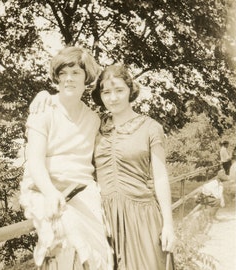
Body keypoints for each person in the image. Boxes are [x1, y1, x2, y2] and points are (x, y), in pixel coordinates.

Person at [19, 46, 113, 270]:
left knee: (101, 255)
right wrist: (51, 192)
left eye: (75, 73)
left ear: (86, 77)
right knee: (68, 233)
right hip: (44, 190)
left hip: (82, 193)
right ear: (56, 78)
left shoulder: (92, 119)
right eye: (63, 73)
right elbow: (35, 160)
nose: (69, 79)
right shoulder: (43, 109)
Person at [91, 64, 176, 269]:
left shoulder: (150, 127)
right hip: (104, 220)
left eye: (119, 90)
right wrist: (43, 96)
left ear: (130, 90)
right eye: (107, 92)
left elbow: (160, 177)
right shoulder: (94, 126)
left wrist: (169, 225)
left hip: (142, 218)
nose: (113, 97)